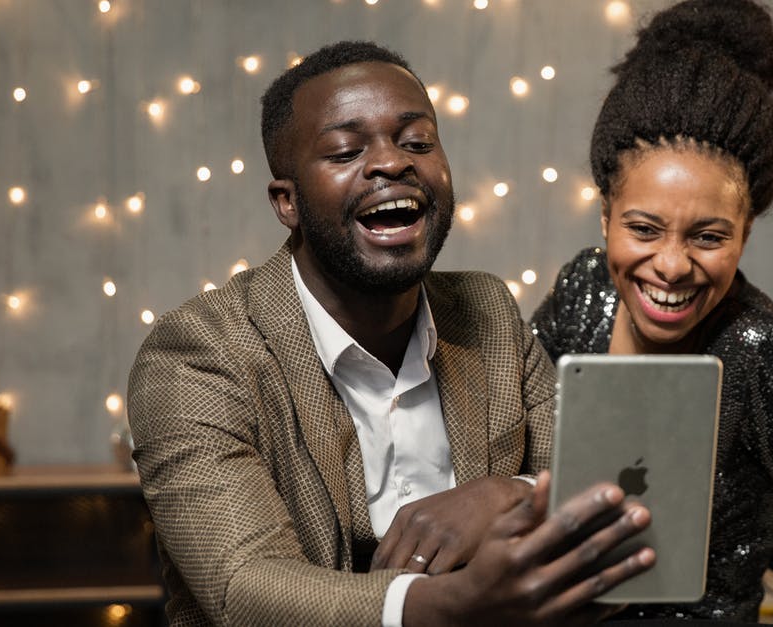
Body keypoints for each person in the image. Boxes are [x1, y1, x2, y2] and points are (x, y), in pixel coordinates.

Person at [128, 41, 653, 626]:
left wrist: (506, 492)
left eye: (417, 142)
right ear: (287, 202)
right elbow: (243, 587)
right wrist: (455, 605)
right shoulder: (196, 356)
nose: (391, 163)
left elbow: (594, 481)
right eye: (347, 150)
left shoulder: (488, 312)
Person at [530, 0, 773, 624]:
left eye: (708, 237)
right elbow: (511, 438)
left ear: (746, 233)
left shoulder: (768, 351)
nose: (671, 265)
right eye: (643, 228)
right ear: (605, 216)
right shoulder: (584, 287)